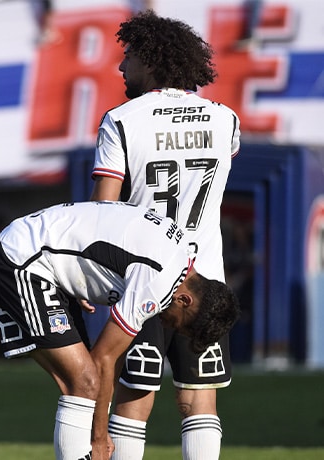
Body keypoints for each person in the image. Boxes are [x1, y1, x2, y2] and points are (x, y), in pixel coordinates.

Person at [89, 10, 241, 460]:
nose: (122, 66)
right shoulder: (225, 120)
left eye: (130, 55)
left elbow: (104, 211)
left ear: (152, 61)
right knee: (199, 400)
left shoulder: (121, 121)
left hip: (142, 279)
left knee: (134, 401)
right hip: (204, 282)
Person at [0, 201, 240, 460]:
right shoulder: (158, 283)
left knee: (82, 385)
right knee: (84, 381)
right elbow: (105, 358)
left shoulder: (181, 256)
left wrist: (77, 273)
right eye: (180, 324)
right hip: (23, 261)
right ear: (185, 301)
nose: (166, 324)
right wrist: (100, 438)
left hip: (41, 258)